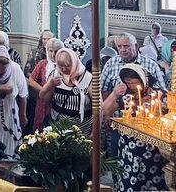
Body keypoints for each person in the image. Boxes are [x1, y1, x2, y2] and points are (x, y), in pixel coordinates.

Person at [102, 63, 168, 191]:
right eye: (128, 83)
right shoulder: (126, 97)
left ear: (143, 79)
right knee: (130, 178)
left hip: (153, 148)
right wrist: (114, 94)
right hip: (129, 147)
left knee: (152, 179)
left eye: (134, 83)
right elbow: (104, 111)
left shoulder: (160, 95)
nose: (131, 86)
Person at [39, 48, 93, 134]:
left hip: (82, 130)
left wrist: (94, 132)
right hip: (57, 128)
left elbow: (99, 107)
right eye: (61, 66)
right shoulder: (55, 74)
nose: (64, 69)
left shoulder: (88, 78)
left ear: (74, 63)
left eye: (67, 66)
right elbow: (43, 97)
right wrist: (50, 85)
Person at [0, 46, 28, 157]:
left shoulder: (15, 68)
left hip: (10, 113)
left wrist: (22, 115)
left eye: (2, 69)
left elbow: (23, 94)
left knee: (11, 143)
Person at [102, 33, 165, 97]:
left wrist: (151, 93)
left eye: (126, 46)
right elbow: (103, 90)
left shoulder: (151, 65)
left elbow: (162, 92)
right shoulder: (111, 63)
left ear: (136, 46)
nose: (123, 50)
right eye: (119, 46)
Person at [27, 37, 63, 131]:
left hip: (60, 102)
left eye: (56, 51)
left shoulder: (65, 65)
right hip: (43, 103)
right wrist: (44, 89)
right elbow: (31, 81)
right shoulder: (43, 64)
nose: (53, 54)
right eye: (50, 51)